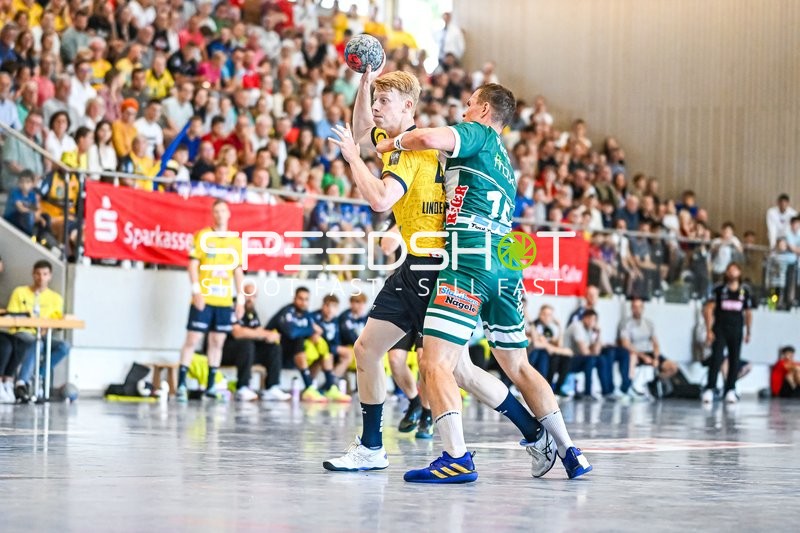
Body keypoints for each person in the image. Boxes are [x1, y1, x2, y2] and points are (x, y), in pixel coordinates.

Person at [324, 74, 559, 479]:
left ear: (409, 109)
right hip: (432, 260)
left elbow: (380, 199)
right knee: (457, 369)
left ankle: (373, 448)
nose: (378, 107)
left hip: (427, 265)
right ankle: (535, 433)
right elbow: (362, 128)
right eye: (377, 100)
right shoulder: (400, 139)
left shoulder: (411, 153)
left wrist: (352, 159)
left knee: (375, 352)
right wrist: (365, 80)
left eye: (386, 101)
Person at [373, 83, 590, 482]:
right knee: (517, 365)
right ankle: (569, 449)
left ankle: (455, 457)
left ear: (485, 110)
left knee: (434, 363)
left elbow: (424, 137)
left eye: (470, 103)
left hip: (469, 256)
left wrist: (390, 145)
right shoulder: (504, 161)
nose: (464, 108)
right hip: (505, 264)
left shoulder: (477, 133)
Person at [176, 200, 244, 402]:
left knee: (217, 341)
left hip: (223, 301)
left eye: (223, 210)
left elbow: (238, 271)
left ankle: (211, 385)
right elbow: (192, 265)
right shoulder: (203, 235)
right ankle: (181, 384)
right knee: (193, 339)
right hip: (204, 298)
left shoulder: (236, 242)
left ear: (229, 213)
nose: (220, 214)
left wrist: (240, 300)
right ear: (212, 214)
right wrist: (196, 291)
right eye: (216, 211)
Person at [6, 260, 70, 401]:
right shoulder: (20, 292)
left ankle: (38, 373)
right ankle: (22, 382)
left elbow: (56, 320)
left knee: (64, 346)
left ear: (50, 276)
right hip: (23, 333)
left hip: (44, 334)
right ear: (33, 274)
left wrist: (46, 329)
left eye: (45, 274)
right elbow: (12, 316)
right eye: (38, 274)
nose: (41, 278)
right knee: (37, 343)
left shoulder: (56, 298)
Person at [265, 287, 340, 403]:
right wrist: (310, 330)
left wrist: (314, 334)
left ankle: (330, 386)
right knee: (298, 341)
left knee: (322, 344)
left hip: (297, 355)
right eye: (300, 299)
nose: (303, 302)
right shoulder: (287, 311)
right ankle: (309, 387)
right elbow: (292, 333)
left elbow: (317, 332)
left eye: (306, 299)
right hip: (275, 354)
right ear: (294, 298)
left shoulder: (306, 315)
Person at [221, 281, 287, 402]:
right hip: (225, 351)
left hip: (246, 353)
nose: (250, 298)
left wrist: (269, 335)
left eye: (254, 296)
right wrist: (263, 334)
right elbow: (237, 332)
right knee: (246, 344)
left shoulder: (252, 311)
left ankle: (272, 387)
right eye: (248, 294)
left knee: (273, 347)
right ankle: (242, 387)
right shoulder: (232, 306)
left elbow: (258, 330)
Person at [702, 262, 753, 404]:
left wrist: (748, 331)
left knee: (734, 359)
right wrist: (708, 330)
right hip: (720, 329)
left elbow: (748, 313)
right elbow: (708, 309)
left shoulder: (745, 291)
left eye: (735, 270)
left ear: (740, 272)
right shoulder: (719, 290)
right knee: (717, 358)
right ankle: (710, 388)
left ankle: (730, 389)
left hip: (736, 329)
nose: (732, 272)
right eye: (729, 270)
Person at [617, 298, 678, 393]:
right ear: (631, 308)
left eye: (639, 307)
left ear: (643, 308)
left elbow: (655, 343)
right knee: (632, 358)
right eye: (634, 307)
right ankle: (629, 388)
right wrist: (643, 356)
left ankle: (654, 381)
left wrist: (656, 358)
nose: (637, 309)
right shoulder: (626, 323)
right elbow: (625, 344)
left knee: (672, 367)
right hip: (635, 352)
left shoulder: (649, 323)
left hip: (649, 352)